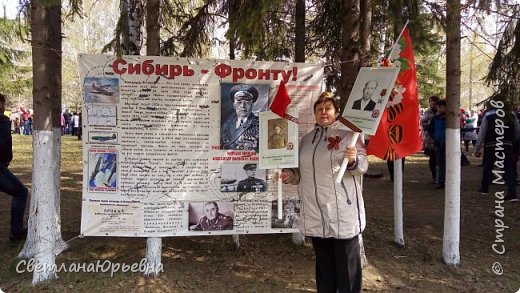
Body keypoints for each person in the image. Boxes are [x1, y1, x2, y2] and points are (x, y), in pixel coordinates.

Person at [280, 92, 368, 293]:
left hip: (341, 212)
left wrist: (354, 160)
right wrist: (289, 175)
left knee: (347, 270)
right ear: (315, 114)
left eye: (328, 108)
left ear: (336, 113)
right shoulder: (306, 140)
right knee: (324, 268)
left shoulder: (349, 136)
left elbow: (363, 166)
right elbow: (301, 173)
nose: (323, 112)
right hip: (315, 212)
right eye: (319, 109)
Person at [474, 102, 520, 202]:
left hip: (491, 145)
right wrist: (511, 141)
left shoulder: (488, 116)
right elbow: (517, 131)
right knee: (508, 168)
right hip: (506, 145)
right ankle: (512, 193)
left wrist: (477, 149)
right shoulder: (512, 115)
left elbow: (482, 133)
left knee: (488, 166)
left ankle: (484, 188)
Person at [0, 93, 29, 241]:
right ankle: (16, 231)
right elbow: (4, 143)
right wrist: (5, 161)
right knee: (21, 192)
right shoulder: (3, 120)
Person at [220, 84, 260, 152]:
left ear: (252, 105)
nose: (242, 106)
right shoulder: (226, 124)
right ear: (234, 105)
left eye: (247, 102)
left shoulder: (260, 124)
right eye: (239, 102)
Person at [420, 95, 440, 182]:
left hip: (440, 138)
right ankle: (434, 176)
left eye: (434, 101)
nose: (433, 103)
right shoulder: (428, 112)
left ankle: (441, 176)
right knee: (432, 158)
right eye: (431, 101)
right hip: (430, 139)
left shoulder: (441, 111)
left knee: (440, 158)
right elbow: (424, 124)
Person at [429, 99, 446, 189]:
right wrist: (435, 137)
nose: (439, 109)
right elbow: (430, 130)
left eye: (440, 107)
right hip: (438, 144)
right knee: (439, 163)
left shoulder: (451, 118)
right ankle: (440, 181)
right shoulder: (435, 119)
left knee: (448, 162)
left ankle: (449, 179)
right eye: (438, 107)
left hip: (448, 144)